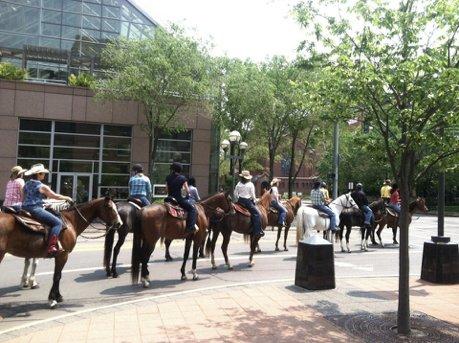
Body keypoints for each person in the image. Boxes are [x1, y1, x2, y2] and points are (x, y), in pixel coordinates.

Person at [22, 164, 73, 256]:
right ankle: (51, 247)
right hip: (35, 209)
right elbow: (54, 196)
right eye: (43, 173)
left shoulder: (27, 184)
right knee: (58, 223)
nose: (44, 175)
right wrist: (67, 198)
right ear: (39, 174)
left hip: (24, 208)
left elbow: (23, 196)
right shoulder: (41, 186)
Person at [165, 162, 198, 234]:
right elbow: (187, 190)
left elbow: (166, 190)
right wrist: (187, 195)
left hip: (169, 198)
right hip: (178, 199)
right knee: (192, 209)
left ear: (172, 169)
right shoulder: (183, 178)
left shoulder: (168, 177)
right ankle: (190, 227)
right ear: (180, 170)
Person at [234, 170, 264, 238]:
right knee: (256, 213)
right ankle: (257, 231)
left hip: (239, 201)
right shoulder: (250, 184)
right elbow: (253, 196)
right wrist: (256, 200)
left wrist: (238, 199)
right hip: (247, 202)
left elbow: (235, 193)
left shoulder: (239, 184)